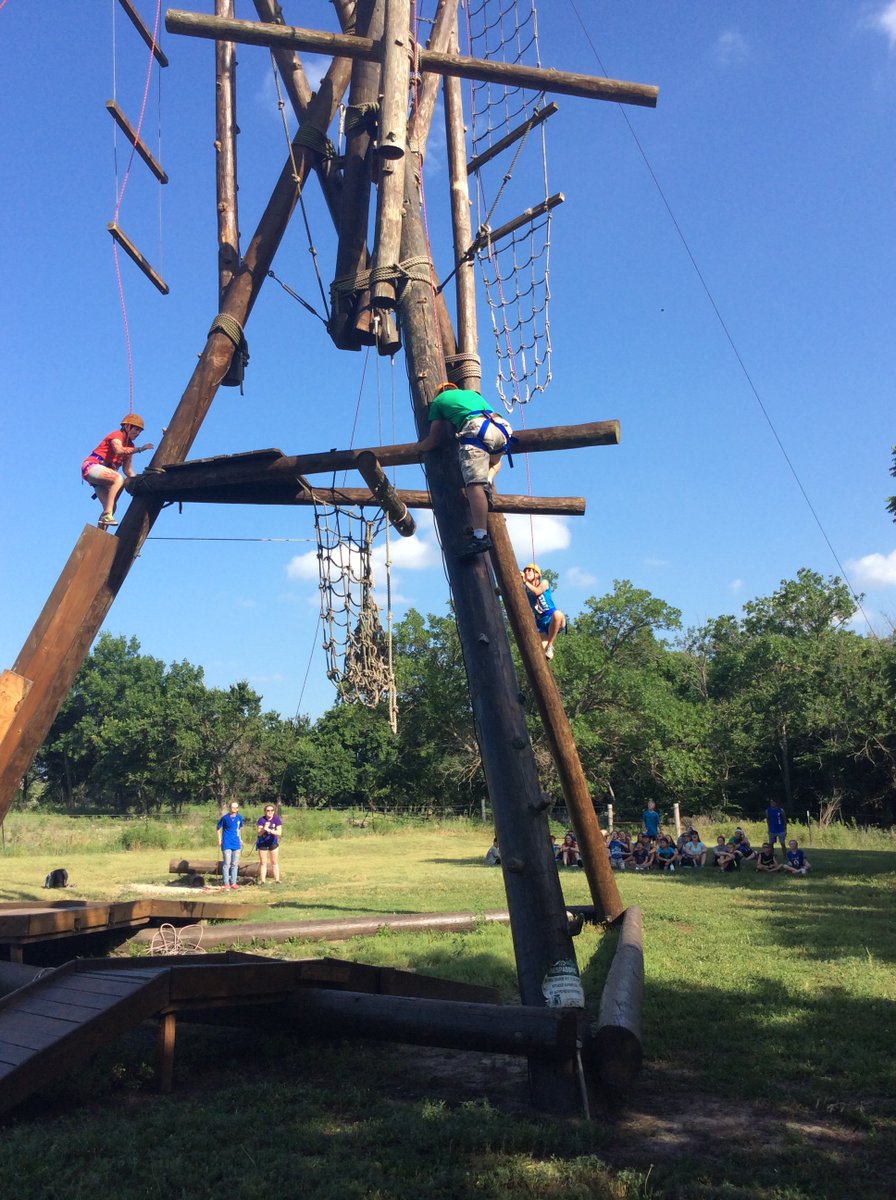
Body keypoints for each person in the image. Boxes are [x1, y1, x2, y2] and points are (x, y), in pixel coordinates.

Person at [414, 382, 513, 557]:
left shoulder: (438, 401)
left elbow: (434, 439)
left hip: (476, 429)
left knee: (474, 486)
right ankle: (488, 479)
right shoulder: (472, 394)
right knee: (494, 461)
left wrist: (418, 447)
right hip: (501, 427)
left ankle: (480, 536)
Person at [81, 414, 154, 528]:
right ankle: (107, 514)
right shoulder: (117, 435)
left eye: (139, 431)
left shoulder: (130, 446)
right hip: (92, 466)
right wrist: (140, 449)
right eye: (136, 430)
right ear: (127, 427)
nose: (137, 433)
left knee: (112, 506)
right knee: (118, 479)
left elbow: (127, 470)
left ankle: (101, 530)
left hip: (103, 476)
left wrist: (139, 482)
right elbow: (118, 450)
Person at [519, 564, 567, 660]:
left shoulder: (544, 583)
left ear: (537, 575)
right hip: (541, 623)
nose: (526, 572)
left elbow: (537, 592)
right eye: (525, 571)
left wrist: (525, 582)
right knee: (537, 654)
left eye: (530, 570)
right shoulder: (526, 591)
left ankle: (550, 646)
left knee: (557, 614)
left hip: (552, 617)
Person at [216, 800, 244, 889]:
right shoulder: (225, 818)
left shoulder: (239, 818)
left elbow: (238, 829)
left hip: (236, 843)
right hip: (226, 843)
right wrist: (219, 839)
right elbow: (218, 828)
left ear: (238, 809)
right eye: (232, 807)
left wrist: (240, 839)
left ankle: (233, 883)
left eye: (236, 807)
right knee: (227, 864)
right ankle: (226, 883)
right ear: (230, 808)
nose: (234, 809)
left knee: (235, 864)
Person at [255, 804, 283, 884]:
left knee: (274, 862)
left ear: (274, 811)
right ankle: (262, 880)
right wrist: (264, 828)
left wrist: (270, 830)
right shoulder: (261, 820)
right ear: (265, 811)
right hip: (262, 842)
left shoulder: (276, 819)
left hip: (273, 842)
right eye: (268, 810)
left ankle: (277, 879)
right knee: (263, 862)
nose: (270, 812)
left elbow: (279, 833)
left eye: (272, 810)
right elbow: (259, 834)